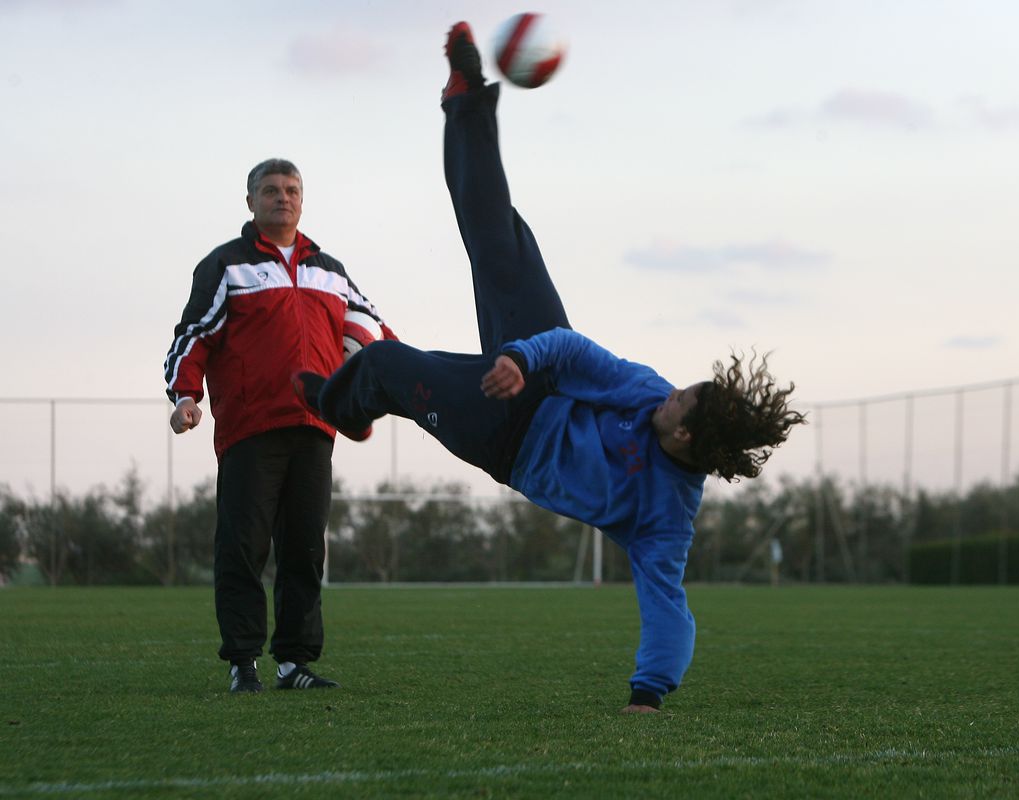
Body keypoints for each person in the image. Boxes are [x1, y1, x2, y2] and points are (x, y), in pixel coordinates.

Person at [292, 23, 807, 713]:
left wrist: (648, 694)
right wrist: (518, 356)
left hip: (505, 439)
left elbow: (669, 611)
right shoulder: (646, 392)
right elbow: (573, 350)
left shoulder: (665, 517)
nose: (670, 394)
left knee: (384, 362)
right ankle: (468, 98)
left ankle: (336, 404)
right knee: (501, 232)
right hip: (535, 369)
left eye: (680, 402)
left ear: (684, 438)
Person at [164, 157, 395, 692]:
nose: (282, 197)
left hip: (316, 428)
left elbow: (373, 332)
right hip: (250, 429)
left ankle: (294, 664)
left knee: (305, 551)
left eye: (291, 189)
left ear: (302, 198)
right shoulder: (226, 266)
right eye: (270, 190)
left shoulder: (330, 270)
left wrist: (417, 381)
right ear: (251, 202)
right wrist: (185, 396)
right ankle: (242, 662)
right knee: (243, 548)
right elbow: (192, 336)